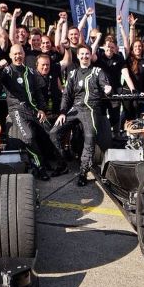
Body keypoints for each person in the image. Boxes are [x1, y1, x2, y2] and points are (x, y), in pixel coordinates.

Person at [50, 45, 112, 186]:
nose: (84, 56)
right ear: (77, 56)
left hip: (91, 108)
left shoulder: (97, 71)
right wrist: (62, 112)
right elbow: (66, 95)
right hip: (75, 108)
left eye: (87, 54)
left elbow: (105, 84)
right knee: (54, 132)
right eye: (82, 54)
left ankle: (83, 172)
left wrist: (107, 88)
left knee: (90, 137)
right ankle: (62, 164)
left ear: (91, 55)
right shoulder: (73, 73)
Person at [0, 44, 50, 180]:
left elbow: (38, 94)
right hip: (16, 110)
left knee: (51, 132)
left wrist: (41, 109)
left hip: (33, 110)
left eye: (20, 53)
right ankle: (40, 166)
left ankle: (58, 164)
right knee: (28, 137)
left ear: (24, 55)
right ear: (11, 56)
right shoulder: (7, 71)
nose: (18, 56)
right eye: (15, 54)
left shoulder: (30, 71)